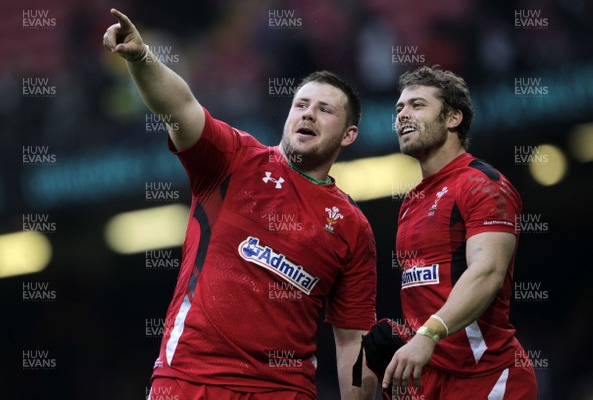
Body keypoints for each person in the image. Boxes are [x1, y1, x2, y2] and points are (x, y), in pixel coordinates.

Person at [103, 9, 378, 400]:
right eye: (301, 105)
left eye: (325, 109)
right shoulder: (234, 159)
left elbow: (354, 342)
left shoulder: (352, 227)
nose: (308, 114)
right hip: (190, 380)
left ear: (348, 135)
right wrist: (141, 58)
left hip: (283, 391)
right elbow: (180, 108)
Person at [382, 65, 538, 399]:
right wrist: (408, 337)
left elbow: (487, 272)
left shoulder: (482, 184)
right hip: (433, 380)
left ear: (453, 118)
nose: (403, 116)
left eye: (417, 105)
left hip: (487, 375)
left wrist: (427, 334)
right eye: (399, 109)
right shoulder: (411, 201)